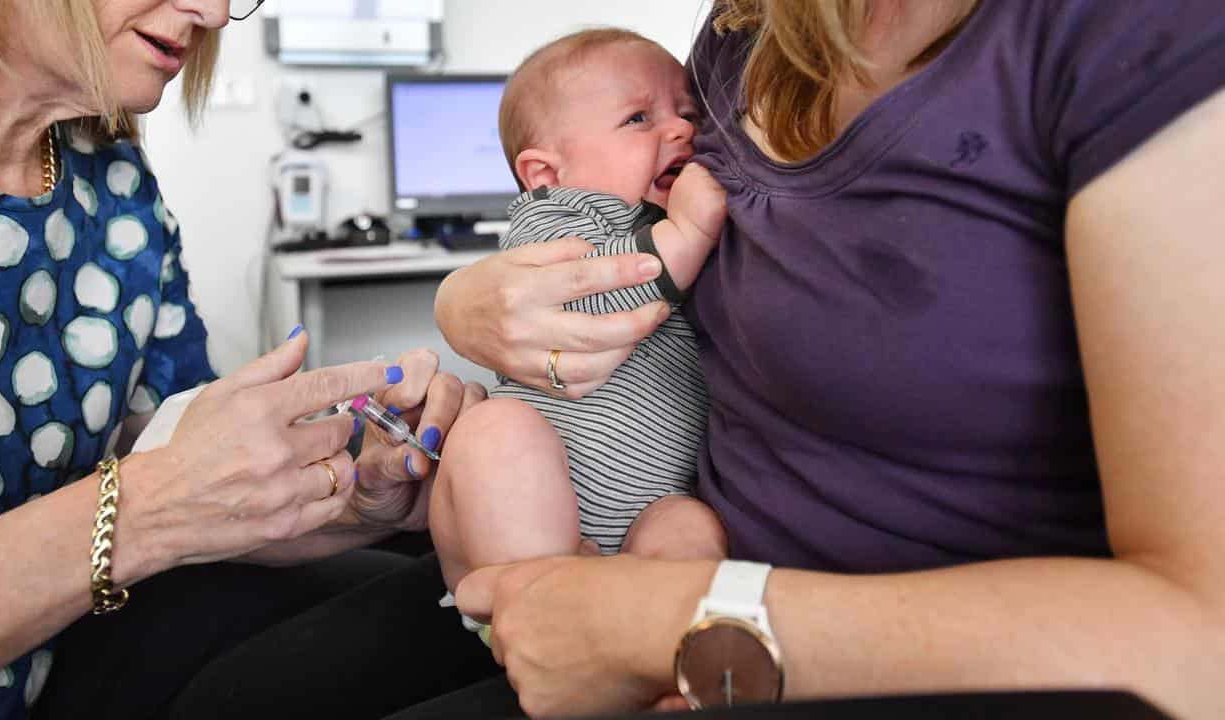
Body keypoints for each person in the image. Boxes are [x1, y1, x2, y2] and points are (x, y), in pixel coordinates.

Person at [422, 0, 1225, 717]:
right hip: (627, 595)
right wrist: (463, 304)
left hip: (779, 644)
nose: (674, 129)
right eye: (639, 119)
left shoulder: (1130, 35)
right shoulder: (746, 32)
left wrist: (692, 622)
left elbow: (1203, 648)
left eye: (672, 116)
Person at [0, 2, 489, 718]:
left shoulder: (111, 180)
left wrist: (356, 497)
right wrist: (147, 508)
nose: (214, 11)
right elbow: (163, 498)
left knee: (456, 597)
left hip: (75, 642)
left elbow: (170, 458)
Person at [430, 28, 729, 605]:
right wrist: (687, 233)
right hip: (533, 512)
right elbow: (593, 295)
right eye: (639, 118)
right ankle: (539, 605)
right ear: (546, 173)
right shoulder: (557, 218)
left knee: (691, 527)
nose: (681, 129)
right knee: (493, 430)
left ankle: (657, 636)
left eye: (687, 113)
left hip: (649, 509)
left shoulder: (663, 225)